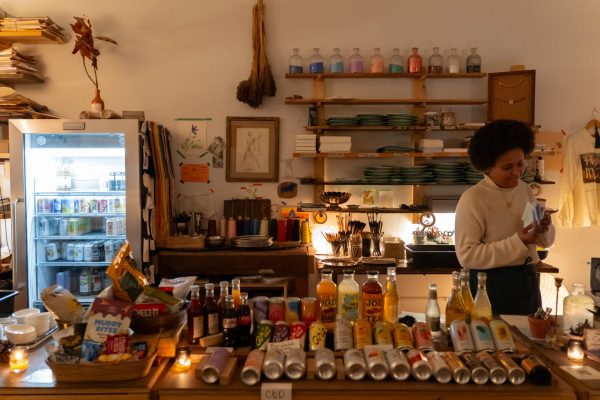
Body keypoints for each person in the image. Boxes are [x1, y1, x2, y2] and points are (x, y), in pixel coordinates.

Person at [455, 120, 555, 315]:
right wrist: (518, 241)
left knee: (530, 341)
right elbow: (467, 256)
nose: (516, 172)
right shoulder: (473, 199)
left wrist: (544, 228)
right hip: (489, 287)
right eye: (507, 167)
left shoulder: (525, 190)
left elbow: (543, 241)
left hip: (527, 282)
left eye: (520, 164)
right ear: (487, 167)